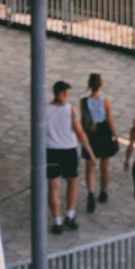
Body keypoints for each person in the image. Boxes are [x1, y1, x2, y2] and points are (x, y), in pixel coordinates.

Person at [45, 79, 89, 232]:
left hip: (51, 151)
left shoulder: (44, 109)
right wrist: (90, 151)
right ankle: (70, 215)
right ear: (63, 93)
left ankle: (57, 221)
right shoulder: (70, 109)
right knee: (72, 183)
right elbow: (80, 132)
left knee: (53, 187)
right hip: (69, 150)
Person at [80, 73, 118, 211]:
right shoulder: (105, 101)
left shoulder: (83, 102)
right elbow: (110, 120)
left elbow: (83, 120)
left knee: (90, 166)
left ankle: (90, 193)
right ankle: (103, 191)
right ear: (101, 85)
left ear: (89, 85)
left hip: (91, 134)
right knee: (104, 166)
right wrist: (115, 136)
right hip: (104, 133)